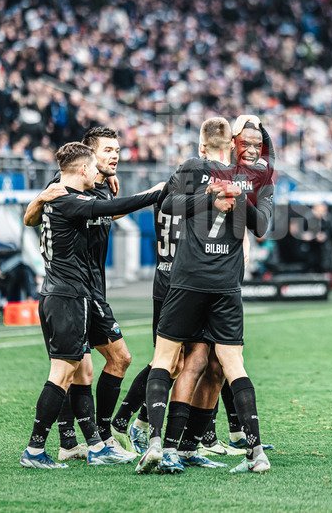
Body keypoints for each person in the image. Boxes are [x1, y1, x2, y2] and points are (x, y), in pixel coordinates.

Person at [137, 116, 273, 475]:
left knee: (166, 358)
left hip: (188, 279)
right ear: (232, 144)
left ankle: (157, 444)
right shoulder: (249, 177)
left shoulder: (192, 167)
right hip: (226, 284)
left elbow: (168, 206)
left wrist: (213, 196)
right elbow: (261, 226)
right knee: (229, 364)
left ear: (201, 145)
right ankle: (255, 452)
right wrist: (231, 197)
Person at [19, 142, 162, 469]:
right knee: (62, 374)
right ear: (83, 168)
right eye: (94, 166)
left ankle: (95, 446)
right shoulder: (70, 200)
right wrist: (156, 192)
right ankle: (35, 450)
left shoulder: (54, 197)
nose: (98, 171)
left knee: (81, 371)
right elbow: (112, 207)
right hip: (69, 297)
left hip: (58, 294)